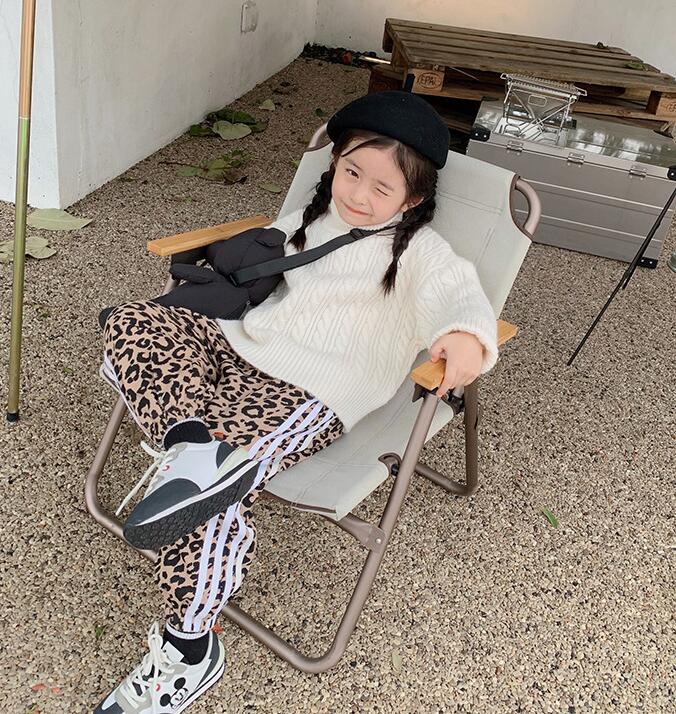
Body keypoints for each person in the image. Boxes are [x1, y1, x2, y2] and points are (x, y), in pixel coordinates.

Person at [94, 90, 498, 713]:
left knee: (211, 502)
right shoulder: (310, 217)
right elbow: (259, 261)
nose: (358, 195)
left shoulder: (420, 253)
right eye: (351, 172)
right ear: (335, 163)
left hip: (308, 389)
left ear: (412, 200)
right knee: (132, 322)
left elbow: (460, 297)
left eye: (382, 188)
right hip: (239, 344)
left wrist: (466, 338)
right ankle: (192, 448)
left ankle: (190, 648)